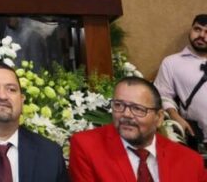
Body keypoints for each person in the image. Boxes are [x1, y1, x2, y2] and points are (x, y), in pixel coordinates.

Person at [69, 77, 207, 181]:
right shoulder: (86, 146)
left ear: (159, 117)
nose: (126, 114)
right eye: (118, 105)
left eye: (137, 109)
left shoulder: (190, 162)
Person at [154, 14, 207, 144]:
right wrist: (175, 116)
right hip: (197, 138)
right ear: (191, 30)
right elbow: (161, 95)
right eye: (197, 29)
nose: (202, 35)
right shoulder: (172, 63)